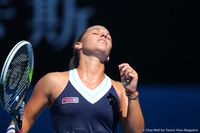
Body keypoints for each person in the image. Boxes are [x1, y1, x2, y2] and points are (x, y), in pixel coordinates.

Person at [8, 25, 144, 133]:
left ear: (108, 56)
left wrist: (132, 93)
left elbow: (135, 131)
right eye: (96, 32)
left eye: (108, 37)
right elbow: (25, 117)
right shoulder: (53, 81)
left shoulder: (121, 89)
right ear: (79, 45)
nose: (104, 35)